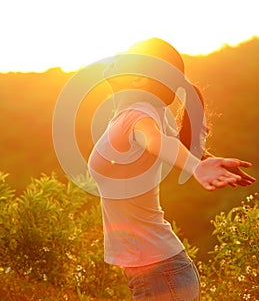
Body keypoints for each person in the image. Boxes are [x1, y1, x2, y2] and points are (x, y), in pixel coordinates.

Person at [88, 38, 255, 301]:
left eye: (128, 55)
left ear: (138, 80)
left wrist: (196, 166)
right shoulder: (149, 111)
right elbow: (173, 143)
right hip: (160, 271)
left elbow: (157, 142)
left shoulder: (138, 117)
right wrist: (203, 160)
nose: (118, 56)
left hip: (160, 275)